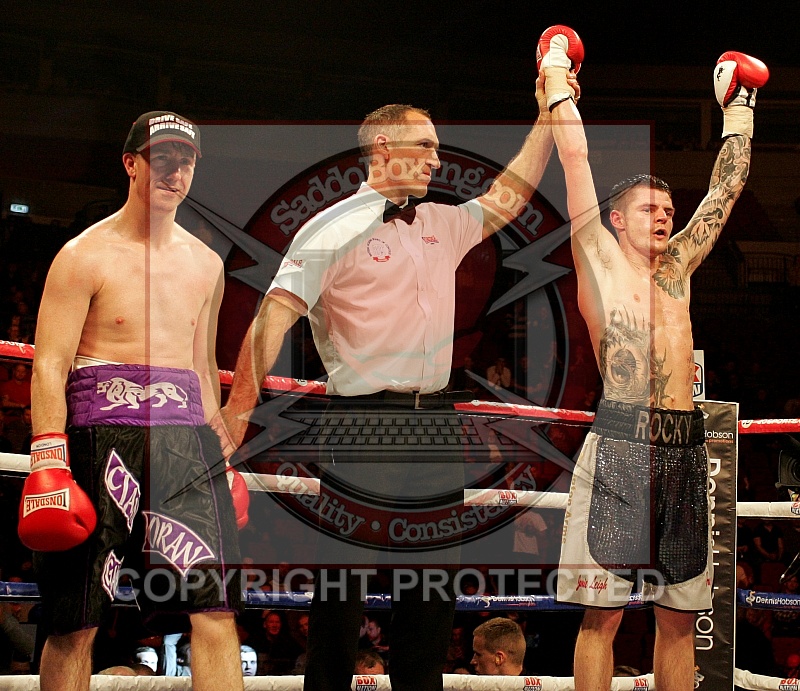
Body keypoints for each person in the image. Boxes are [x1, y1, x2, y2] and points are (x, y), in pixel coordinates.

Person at [221, 71, 577, 691]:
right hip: (360, 419)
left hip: (435, 420)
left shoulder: (442, 222)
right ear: (385, 147)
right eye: (427, 144)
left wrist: (548, 112)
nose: (439, 157)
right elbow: (271, 319)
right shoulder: (330, 227)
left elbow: (509, 194)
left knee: (433, 588)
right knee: (343, 584)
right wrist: (235, 414)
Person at [541, 26, 768, 691]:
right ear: (616, 219)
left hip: (684, 443)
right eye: (649, 209)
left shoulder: (679, 268)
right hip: (621, 438)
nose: (666, 217)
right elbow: (574, 157)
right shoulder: (597, 257)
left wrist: (739, 108)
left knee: (679, 616)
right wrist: (555, 72)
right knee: (603, 615)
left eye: (669, 209)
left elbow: (725, 192)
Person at [18, 111, 246, 691]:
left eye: (186, 161)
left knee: (216, 608)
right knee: (76, 617)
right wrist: (48, 457)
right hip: (100, 433)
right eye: (162, 158)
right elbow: (50, 363)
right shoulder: (83, 255)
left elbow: (202, 368)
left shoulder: (207, 263)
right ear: (131, 164)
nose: (175, 171)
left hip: (186, 442)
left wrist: (220, 455)